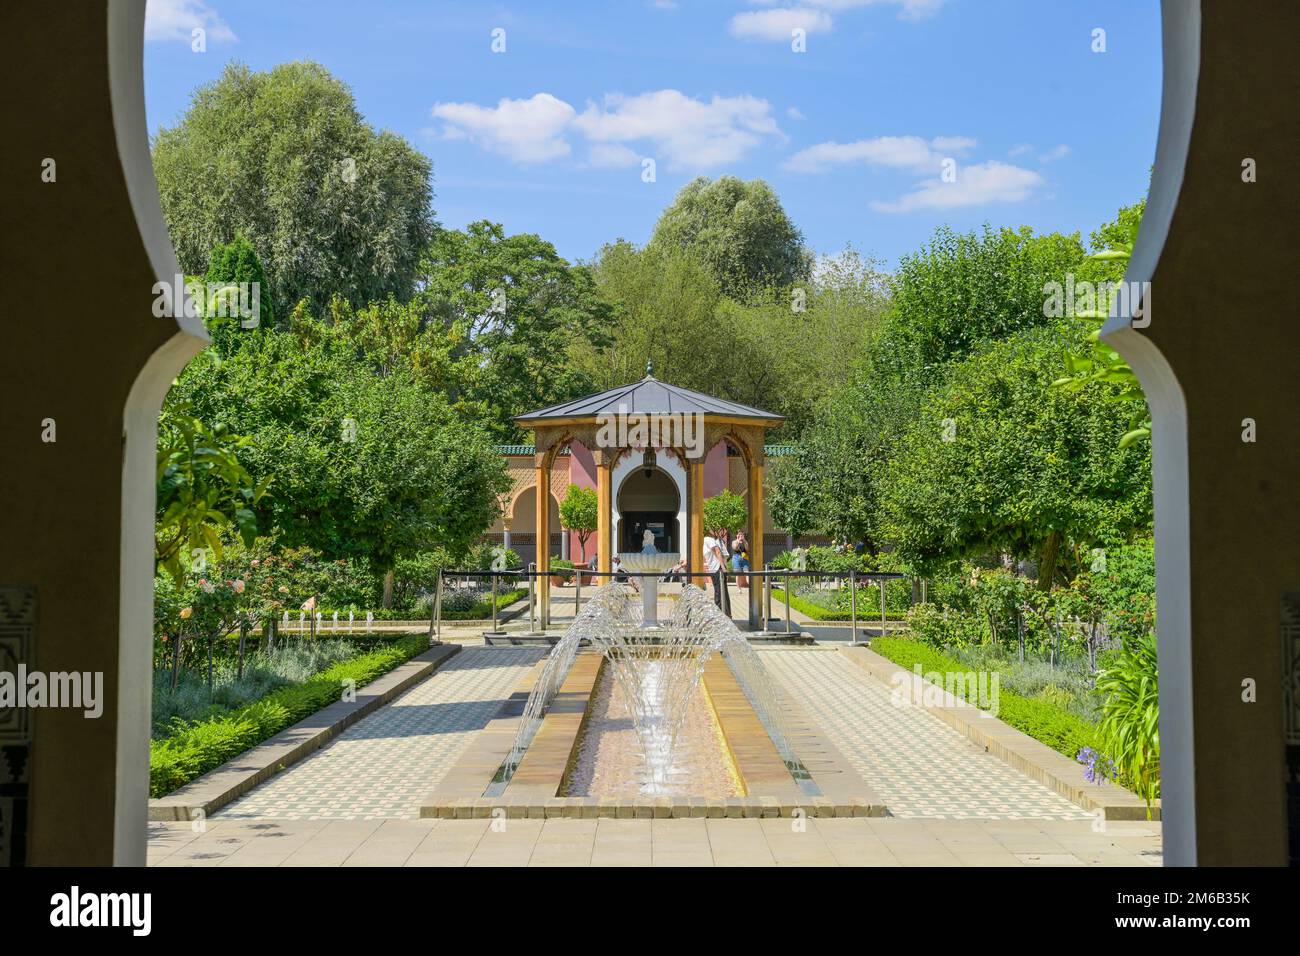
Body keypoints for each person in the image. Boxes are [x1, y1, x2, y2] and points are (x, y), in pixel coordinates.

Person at [702, 529, 730, 613]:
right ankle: (726, 614)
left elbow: (717, 552)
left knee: (719, 593)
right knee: (721, 592)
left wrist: (723, 568)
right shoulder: (705, 542)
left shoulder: (708, 539)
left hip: (718, 569)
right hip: (714, 569)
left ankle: (721, 614)